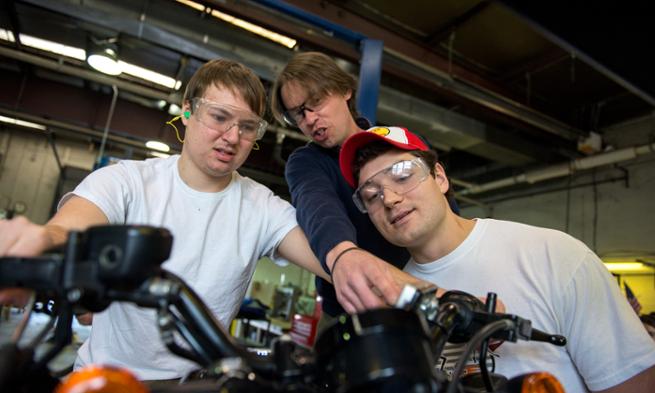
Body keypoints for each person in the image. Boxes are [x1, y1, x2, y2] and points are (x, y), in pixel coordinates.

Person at [0, 59, 330, 382]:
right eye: (219, 117)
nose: (232, 137)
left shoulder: (262, 207)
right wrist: (38, 243)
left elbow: (332, 259)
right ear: (187, 110)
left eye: (247, 127)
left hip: (197, 385)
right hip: (107, 383)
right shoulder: (127, 181)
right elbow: (68, 228)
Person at [338, 125, 655, 392]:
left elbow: (634, 384)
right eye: (372, 195)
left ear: (440, 178)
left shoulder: (552, 256)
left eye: (403, 175)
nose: (390, 199)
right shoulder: (392, 301)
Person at [271, 51, 429, 320]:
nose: (309, 120)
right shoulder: (306, 163)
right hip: (351, 311)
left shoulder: (397, 142)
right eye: (298, 114)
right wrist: (343, 254)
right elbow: (318, 207)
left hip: (421, 299)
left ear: (345, 90)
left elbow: (442, 208)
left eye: (316, 102)